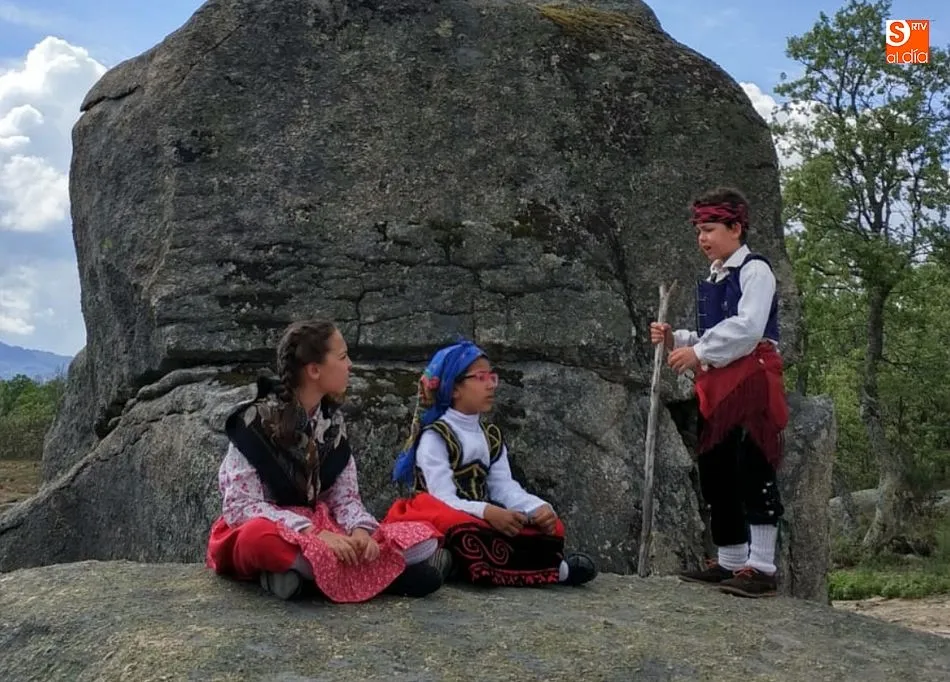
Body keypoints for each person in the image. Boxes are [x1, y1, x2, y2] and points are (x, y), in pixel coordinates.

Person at [206, 319, 445, 602]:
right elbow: (239, 506)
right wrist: (311, 533)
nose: (350, 365)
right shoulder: (254, 422)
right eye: (343, 357)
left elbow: (345, 500)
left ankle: (304, 577)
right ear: (314, 370)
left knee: (426, 538)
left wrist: (359, 532)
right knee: (257, 540)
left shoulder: (331, 424)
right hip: (277, 530)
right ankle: (376, 575)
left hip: (324, 530)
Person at [650, 187, 789, 598]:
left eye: (709, 228)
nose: (702, 238)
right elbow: (714, 334)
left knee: (753, 464)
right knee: (716, 468)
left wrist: (699, 351)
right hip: (723, 384)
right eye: (698, 230)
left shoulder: (755, 272)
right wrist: (677, 337)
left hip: (753, 383)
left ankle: (761, 566)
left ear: (735, 227)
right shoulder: (717, 276)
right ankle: (730, 560)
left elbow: (747, 330)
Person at [383, 339, 597, 587]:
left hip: (480, 516)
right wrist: (487, 512)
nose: (490, 386)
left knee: (552, 527)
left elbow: (504, 487)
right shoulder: (435, 436)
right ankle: (554, 571)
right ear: (454, 388)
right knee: (463, 528)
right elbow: (442, 498)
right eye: (481, 378)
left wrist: (537, 508)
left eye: (492, 378)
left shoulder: (491, 437)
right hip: (439, 514)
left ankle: (459, 565)